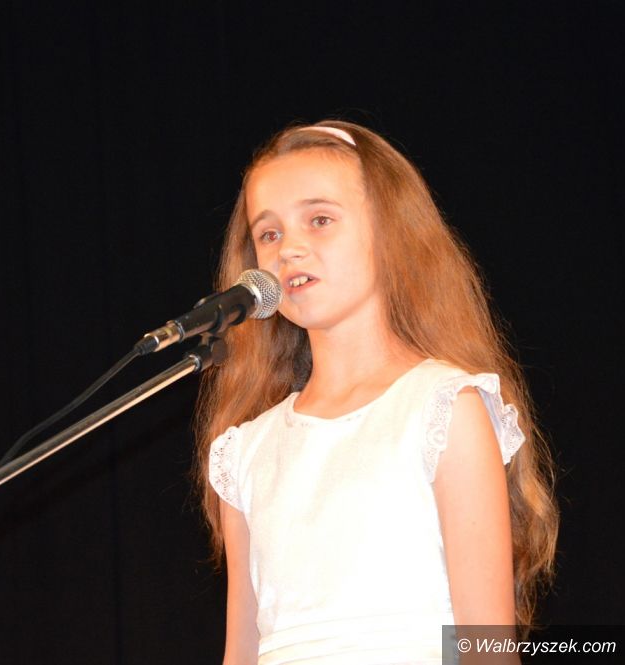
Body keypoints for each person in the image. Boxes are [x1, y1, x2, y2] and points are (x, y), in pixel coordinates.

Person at [194, 121, 558, 664]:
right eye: (268, 234)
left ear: (390, 232)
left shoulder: (442, 408)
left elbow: (489, 650)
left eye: (320, 220)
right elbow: (241, 653)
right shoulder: (246, 451)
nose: (290, 248)